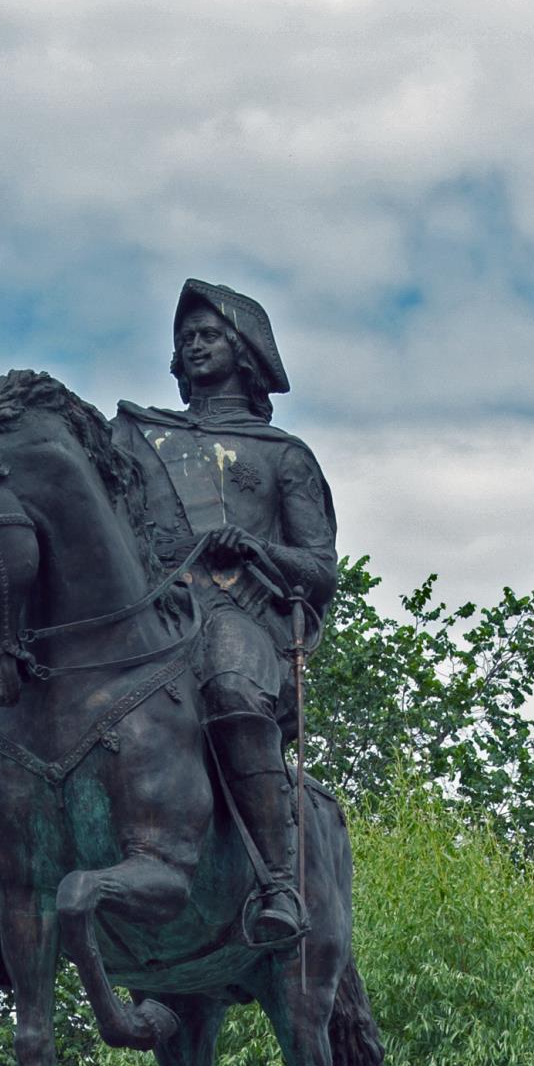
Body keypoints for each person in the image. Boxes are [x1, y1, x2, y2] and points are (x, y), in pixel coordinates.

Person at [111, 280, 339, 950]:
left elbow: (321, 571)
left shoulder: (282, 456)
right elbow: (65, 471)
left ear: (244, 352)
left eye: (208, 335)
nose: (192, 345)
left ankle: (278, 884)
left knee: (230, 686)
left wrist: (258, 547)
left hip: (236, 616)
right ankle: (0, 907)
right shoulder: (141, 436)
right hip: (151, 615)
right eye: (186, 337)